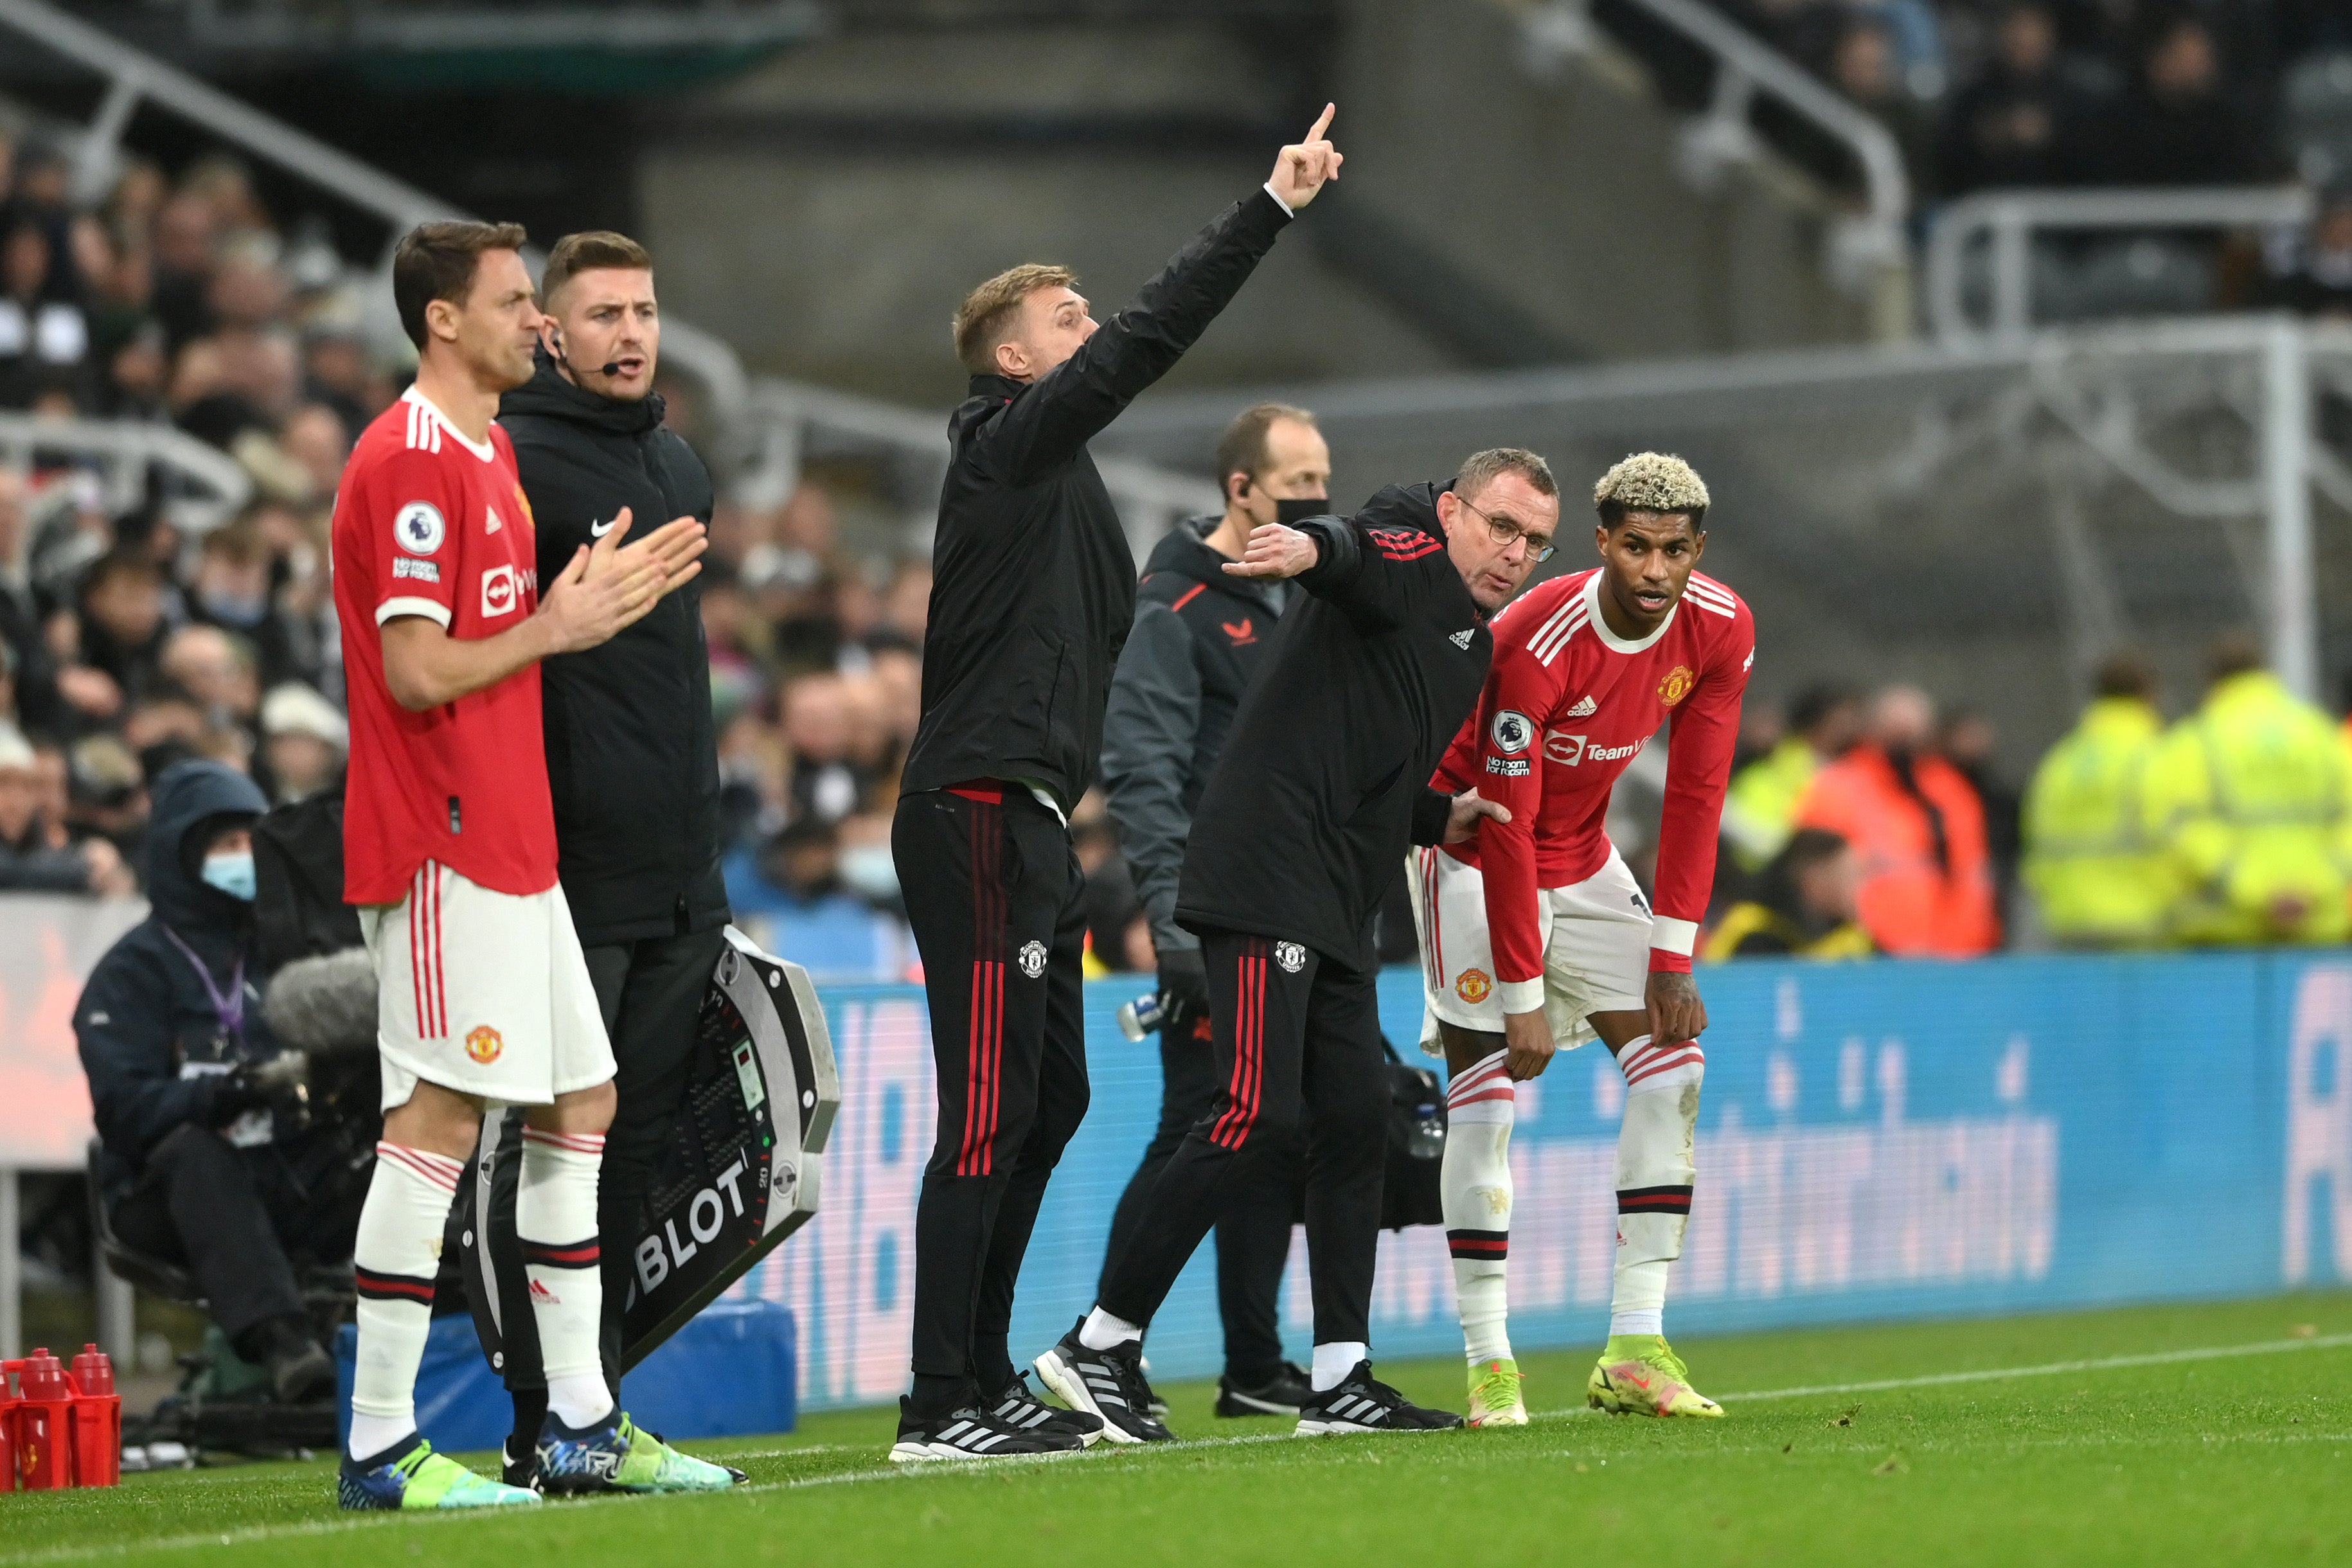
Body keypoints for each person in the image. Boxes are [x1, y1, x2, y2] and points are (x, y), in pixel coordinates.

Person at [887, 107, 1344, 1463]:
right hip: (973, 802)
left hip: (1028, 816)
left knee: (1055, 1100)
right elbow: (1154, 335)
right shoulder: (1007, 440)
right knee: (988, 1107)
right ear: (1015, 359)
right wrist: (1269, 205)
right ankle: (938, 1398)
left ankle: (978, 1375)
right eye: (1068, 317)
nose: (1097, 332)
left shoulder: (1056, 483)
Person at [1037, 449, 1545, 1443]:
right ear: (1454, 512)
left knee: (1355, 1122)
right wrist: (1308, 545)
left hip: (1340, 897)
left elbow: (1368, 769)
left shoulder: (1462, 642)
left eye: (1533, 541)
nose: (1513, 553)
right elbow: (1359, 550)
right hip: (1268, 875)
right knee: (1252, 1115)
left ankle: (1341, 1379)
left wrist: (1439, 815)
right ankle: (1095, 1346)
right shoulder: (1411, 559)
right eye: (1499, 526)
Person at [329, 220, 711, 1511]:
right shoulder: (415, 460)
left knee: (583, 1106)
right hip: (438, 837)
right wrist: (559, 623)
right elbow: (415, 666)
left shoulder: (491, 450)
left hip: (515, 839)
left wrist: (576, 602)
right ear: (443, 319)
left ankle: (585, 1423)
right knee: (432, 1122)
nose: (536, 324)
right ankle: (381, 1438)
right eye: (513, 301)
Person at [456, 229, 735, 1489]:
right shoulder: (507, 460)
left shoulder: (678, 460)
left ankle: (596, 1404)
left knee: (634, 1143)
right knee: (550, 1145)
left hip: (682, 862)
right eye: (604, 311)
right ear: (551, 333)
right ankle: (535, 1417)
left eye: (647, 309)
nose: (633, 330)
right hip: (564, 864)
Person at [1407, 452, 1752, 1427]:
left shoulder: (1721, 628)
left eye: (1674, 551)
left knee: (1673, 1066)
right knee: (1487, 1093)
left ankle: (1635, 1347)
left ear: (1698, 551)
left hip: (1587, 855)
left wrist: (1674, 957)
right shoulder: (1533, 639)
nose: (1654, 569)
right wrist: (1523, 998)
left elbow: (1696, 792)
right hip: (1472, 848)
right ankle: (1490, 1365)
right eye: (1635, 547)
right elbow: (1505, 823)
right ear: (1601, 543)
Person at [1095, 402, 1328, 1418]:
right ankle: (1107, 1350)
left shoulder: (1312, 594)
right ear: (1240, 490)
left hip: (1294, 908)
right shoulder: (1180, 608)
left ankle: (1253, 1365)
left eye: (1325, 481)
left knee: (1274, 1130)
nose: (1319, 502)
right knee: (1202, 1123)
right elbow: (1144, 769)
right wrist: (1174, 926)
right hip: (1213, 912)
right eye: (1297, 485)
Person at [76, 760, 352, 1405]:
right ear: (181, 854)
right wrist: (228, 1090)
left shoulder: (284, 951)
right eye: (225, 844)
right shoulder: (131, 972)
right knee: (192, 1152)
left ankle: (431, 1331)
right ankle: (283, 1344)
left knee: (380, 1142)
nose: (243, 858)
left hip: (283, 1167)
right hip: (165, 1195)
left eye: (250, 842)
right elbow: (122, 1109)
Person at [2143, 636, 2349, 946]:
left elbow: (2183, 831)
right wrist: (2312, 891)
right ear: (2266, 674)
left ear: (2212, 682)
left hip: (2228, 936)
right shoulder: (2322, 734)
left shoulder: (2193, 743)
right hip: (2319, 932)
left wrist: (2259, 894)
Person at [1794, 685, 1999, 956]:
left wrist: (1969, 945)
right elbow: (1818, 880)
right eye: (1896, 729)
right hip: (1869, 957)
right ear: (1873, 729)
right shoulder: (1837, 787)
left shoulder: (1951, 792)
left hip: (1953, 958)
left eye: (1913, 731)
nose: (1905, 741)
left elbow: (1972, 876)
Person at [2020, 653, 2169, 947]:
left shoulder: (2060, 762)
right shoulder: (2160, 758)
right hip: (2143, 922)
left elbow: (2034, 842)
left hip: (2070, 922)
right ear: (2149, 696)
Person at [1721, 684, 1858, 871]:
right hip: (1757, 855)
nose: (1847, 728)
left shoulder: (1852, 772)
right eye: (1840, 720)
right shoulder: (1777, 756)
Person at [1703, 828, 1871, 958]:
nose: (1858, 887)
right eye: (1849, 876)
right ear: (1812, 881)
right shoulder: (1752, 932)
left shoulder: (1853, 942)